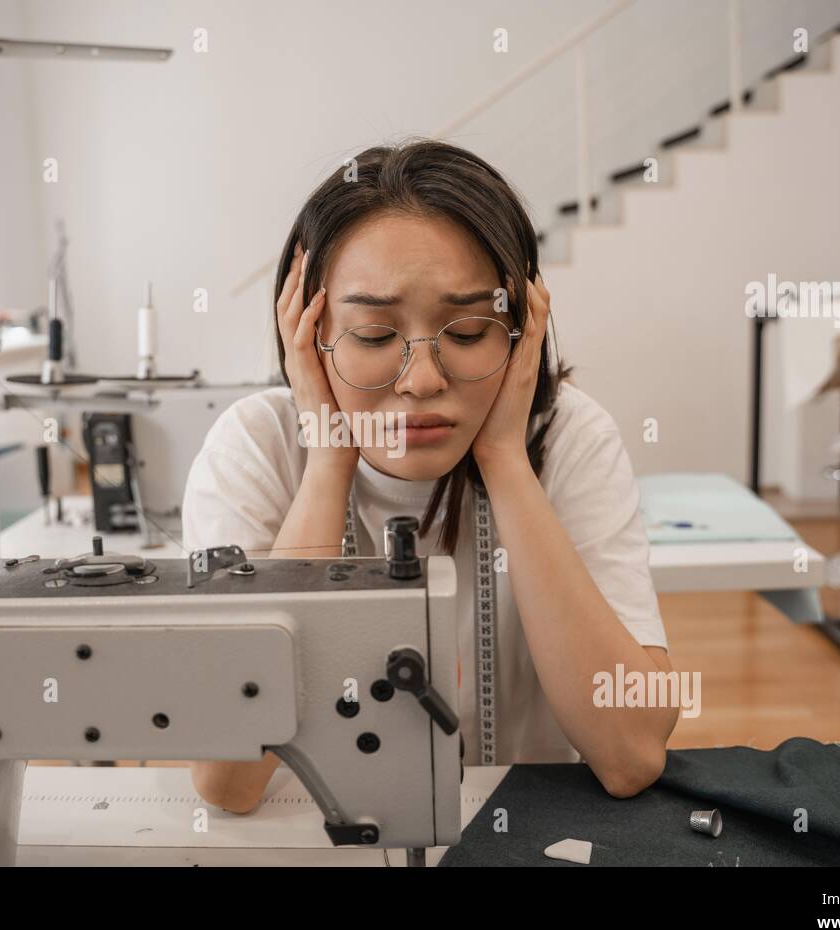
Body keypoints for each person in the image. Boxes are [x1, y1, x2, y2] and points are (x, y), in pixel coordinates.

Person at [182, 139, 677, 813]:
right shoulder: (255, 446)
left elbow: (631, 750)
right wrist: (328, 459)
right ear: (308, 331)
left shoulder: (568, 439)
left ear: (523, 330)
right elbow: (225, 781)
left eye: (469, 331)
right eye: (375, 336)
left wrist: (504, 457)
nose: (421, 380)